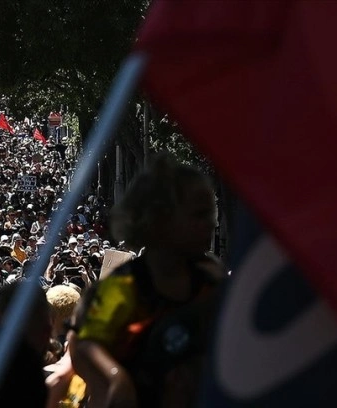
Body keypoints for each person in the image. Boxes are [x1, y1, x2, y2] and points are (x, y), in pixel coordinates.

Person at [69, 156, 225, 408]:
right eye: (198, 215)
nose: (210, 224)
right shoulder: (124, 286)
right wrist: (117, 377)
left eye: (210, 214)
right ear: (160, 220)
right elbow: (87, 344)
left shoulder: (211, 278)